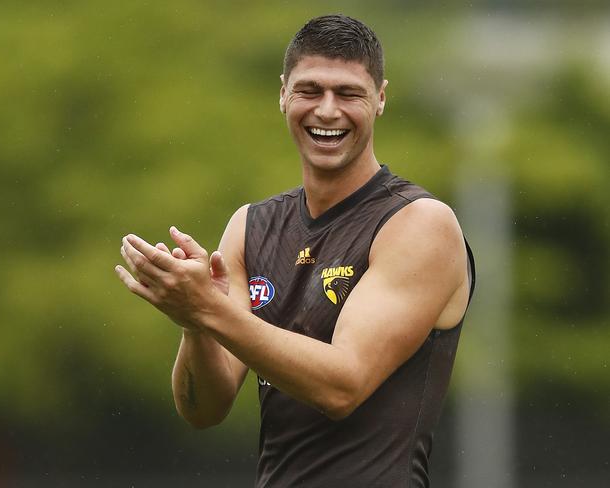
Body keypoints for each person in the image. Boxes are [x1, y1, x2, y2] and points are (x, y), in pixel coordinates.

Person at [116, 14, 475, 488]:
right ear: (283, 93)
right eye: (310, 90)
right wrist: (193, 323)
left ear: (381, 98)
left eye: (349, 94)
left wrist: (206, 307)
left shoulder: (418, 223)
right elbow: (203, 409)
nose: (327, 111)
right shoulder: (251, 226)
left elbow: (342, 385)